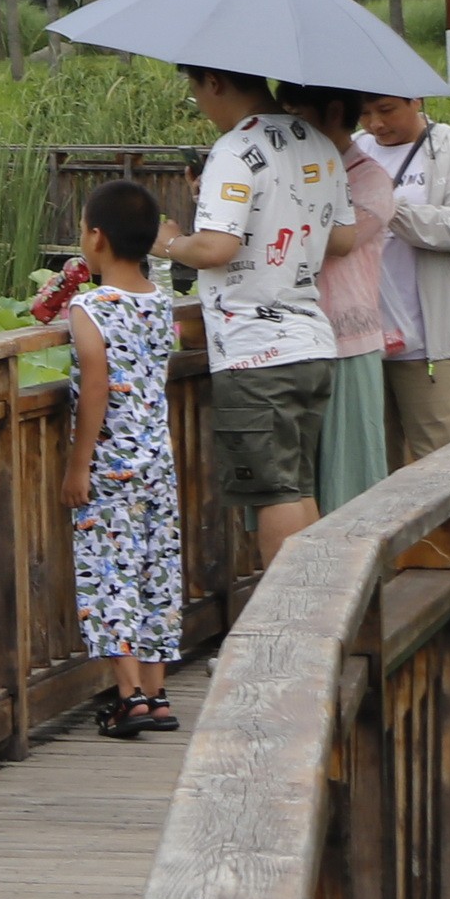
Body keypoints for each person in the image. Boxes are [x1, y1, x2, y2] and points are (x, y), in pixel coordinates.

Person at [146, 65, 353, 571]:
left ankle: (285, 628)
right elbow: (343, 240)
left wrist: (169, 240)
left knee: (272, 492)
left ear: (214, 82)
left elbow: (216, 247)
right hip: (312, 346)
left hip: (256, 350)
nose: (199, 102)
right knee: (296, 485)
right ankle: (311, 610)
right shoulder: (320, 143)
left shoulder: (235, 150)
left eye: (195, 89)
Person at [63, 179, 184, 739]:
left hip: (110, 463)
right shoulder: (160, 302)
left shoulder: (89, 306)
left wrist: (77, 464)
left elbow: (96, 384)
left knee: (110, 571)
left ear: (97, 238)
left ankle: (127, 695)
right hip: (157, 459)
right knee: (156, 569)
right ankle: (158, 695)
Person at [355, 91, 450, 462]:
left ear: (415, 100)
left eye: (386, 110)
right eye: (364, 113)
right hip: (360, 339)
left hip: (432, 342)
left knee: (442, 465)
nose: (375, 124)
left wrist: (389, 208)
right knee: (370, 466)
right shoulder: (351, 150)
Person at [289, 87, 400, 511]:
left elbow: (336, 243)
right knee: (298, 483)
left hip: (346, 344)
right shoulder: (296, 170)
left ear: (333, 112)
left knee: (348, 484)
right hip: (295, 339)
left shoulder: (368, 177)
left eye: (296, 114)